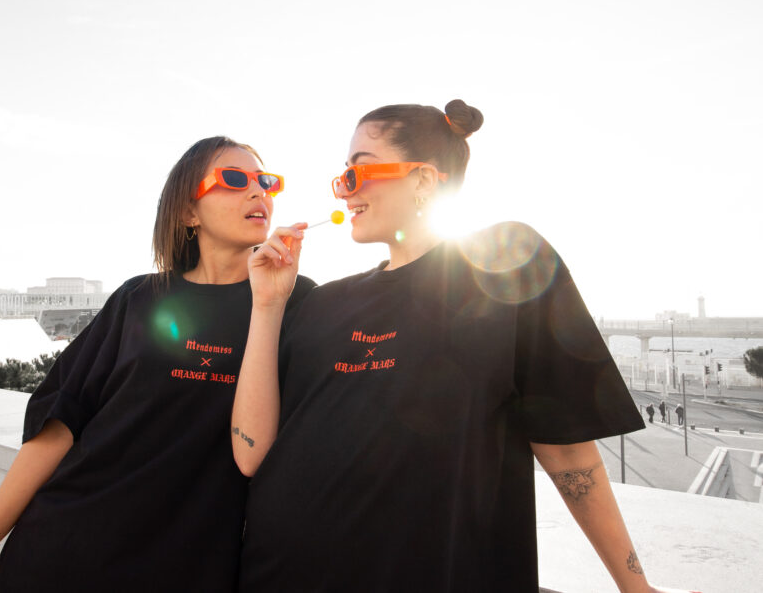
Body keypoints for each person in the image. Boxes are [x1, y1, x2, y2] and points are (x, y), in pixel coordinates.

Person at [231, 100, 689, 592]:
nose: (344, 189)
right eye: (342, 176)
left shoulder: (508, 263)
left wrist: (635, 586)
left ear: (424, 180)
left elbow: (568, 452)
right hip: (281, 574)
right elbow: (255, 452)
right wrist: (267, 304)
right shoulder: (323, 302)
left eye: (358, 172)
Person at [0, 136, 315, 593]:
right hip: (62, 551)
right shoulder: (138, 298)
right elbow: (58, 427)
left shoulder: (293, 301)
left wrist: (267, 303)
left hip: (187, 567)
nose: (258, 192)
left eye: (265, 181)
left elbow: (253, 456)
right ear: (188, 212)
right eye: (234, 179)